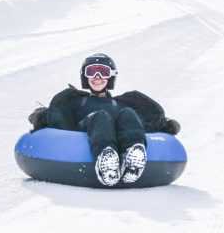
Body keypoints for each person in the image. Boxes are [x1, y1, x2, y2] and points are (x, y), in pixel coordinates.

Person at [28, 53, 181, 187]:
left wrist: (166, 126)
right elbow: (55, 115)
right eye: (92, 72)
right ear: (85, 76)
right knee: (100, 115)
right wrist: (40, 115)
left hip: (119, 131)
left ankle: (133, 155)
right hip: (87, 129)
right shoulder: (78, 101)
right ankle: (106, 160)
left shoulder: (121, 104)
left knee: (128, 113)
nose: (97, 78)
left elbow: (144, 123)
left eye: (103, 72)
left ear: (111, 76)